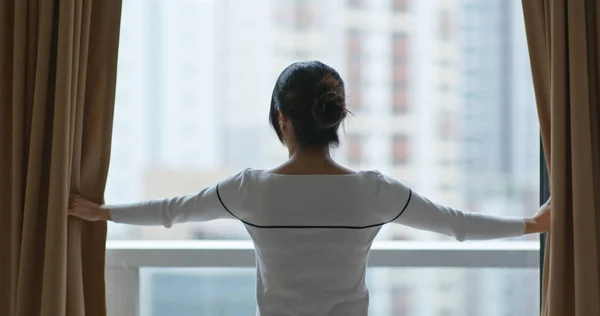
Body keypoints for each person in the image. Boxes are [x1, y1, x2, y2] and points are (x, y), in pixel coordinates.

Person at [69, 61, 551, 316]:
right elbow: (457, 226)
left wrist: (101, 213)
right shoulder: (373, 192)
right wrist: (533, 223)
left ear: (282, 118)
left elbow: (172, 211)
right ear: (336, 117)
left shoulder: (251, 190)